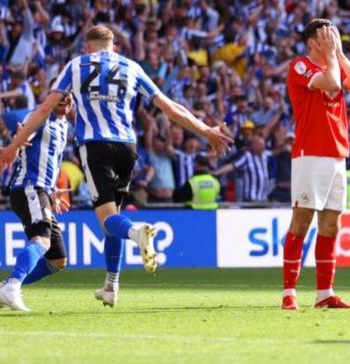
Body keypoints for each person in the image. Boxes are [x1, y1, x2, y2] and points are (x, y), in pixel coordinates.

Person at [0, 26, 233, 307]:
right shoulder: (131, 66)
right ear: (114, 48)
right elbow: (171, 108)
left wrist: (12, 147)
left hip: (96, 145)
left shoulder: (76, 65)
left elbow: (42, 109)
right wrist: (206, 130)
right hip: (128, 147)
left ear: (88, 48)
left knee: (108, 218)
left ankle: (137, 232)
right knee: (115, 214)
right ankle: (111, 285)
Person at [282, 19, 350, 310]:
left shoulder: (335, 63)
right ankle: (289, 293)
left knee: (331, 223)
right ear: (312, 43)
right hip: (310, 153)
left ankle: (324, 294)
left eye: (334, 35)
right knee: (302, 220)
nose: (332, 39)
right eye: (326, 36)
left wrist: (340, 55)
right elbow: (331, 83)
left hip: (337, 154)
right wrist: (333, 58)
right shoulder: (300, 66)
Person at [0, 94, 73, 311]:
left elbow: (53, 158)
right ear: (51, 97)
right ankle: (12, 285)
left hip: (43, 189)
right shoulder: (40, 117)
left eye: (69, 97)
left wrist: (53, 189)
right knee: (41, 239)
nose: (66, 100)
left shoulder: (64, 126)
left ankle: (5, 287)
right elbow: (25, 130)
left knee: (57, 260)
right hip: (29, 186)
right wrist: (18, 139)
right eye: (61, 96)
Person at [214, 136, 273, 202]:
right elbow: (233, 166)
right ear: (253, 145)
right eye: (260, 144)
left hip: (263, 198)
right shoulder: (248, 156)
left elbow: (275, 152)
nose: (263, 147)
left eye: (263, 144)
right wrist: (216, 172)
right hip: (251, 198)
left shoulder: (265, 156)